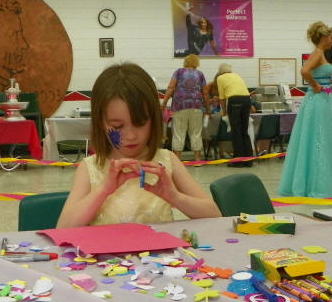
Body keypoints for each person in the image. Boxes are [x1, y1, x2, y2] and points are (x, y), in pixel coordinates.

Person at [56, 62, 220, 227]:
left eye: (140, 123)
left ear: (153, 119)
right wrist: (103, 189)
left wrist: (175, 197)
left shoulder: (167, 160)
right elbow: (63, 227)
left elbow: (214, 215)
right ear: (100, 123)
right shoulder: (91, 167)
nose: (131, 136)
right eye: (117, 126)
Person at [278, 22, 332, 197]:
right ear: (323, 38)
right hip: (318, 99)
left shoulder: (320, 54)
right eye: (331, 37)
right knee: (319, 136)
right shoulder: (318, 53)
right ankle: (318, 183)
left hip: (323, 99)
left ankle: (321, 179)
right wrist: (315, 86)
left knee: (320, 137)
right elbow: (304, 70)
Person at [161, 54, 206, 161]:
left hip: (180, 106)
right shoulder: (200, 74)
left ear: (185, 62)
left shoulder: (179, 72)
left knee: (178, 132)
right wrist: (208, 108)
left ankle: (177, 159)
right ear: (196, 63)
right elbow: (205, 93)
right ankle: (197, 159)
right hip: (196, 106)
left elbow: (171, 87)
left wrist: (164, 103)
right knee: (196, 133)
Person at [215, 63, 253, 167]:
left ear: (220, 72)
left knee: (236, 131)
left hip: (234, 100)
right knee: (244, 131)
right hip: (247, 100)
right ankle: (249, 160)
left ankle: (238, 161)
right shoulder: (236, 75)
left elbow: (222, 98)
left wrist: (224, 112)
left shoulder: (220, 78)